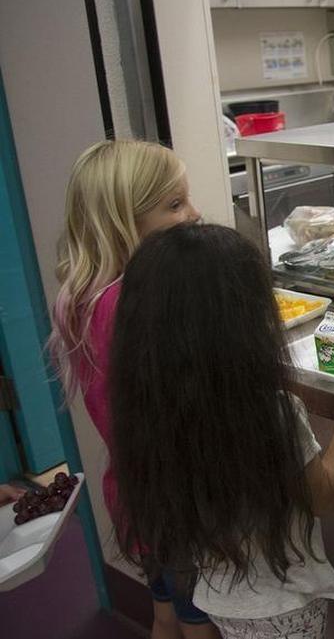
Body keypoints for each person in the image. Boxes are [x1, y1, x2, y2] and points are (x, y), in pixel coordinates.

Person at [110, 224, 334, 638]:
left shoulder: (151, 408)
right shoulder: (267, 413)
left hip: (218, 595)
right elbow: (324, 495)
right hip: (282, 605)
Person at [46, 139, 214, 638]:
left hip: (135, 498)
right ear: (122, 219)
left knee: (164, 613)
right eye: (174, 204)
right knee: (200, 622)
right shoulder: (130, 306)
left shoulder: (82, 295)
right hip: (181, 503)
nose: (194, 213)